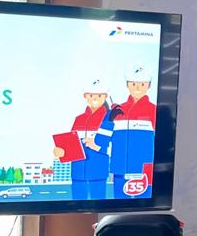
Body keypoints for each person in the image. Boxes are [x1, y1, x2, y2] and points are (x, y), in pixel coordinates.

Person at [55, 78, 112, 200]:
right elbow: (71, 145)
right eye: (91, 95)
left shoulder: (110, 119)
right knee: (76, 206)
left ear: (105, 96)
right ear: (85, 96)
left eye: (99, 95)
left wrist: (97, 146)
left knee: (99, 204)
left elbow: (117, 146)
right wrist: (61, 152)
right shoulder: (79, 119)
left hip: (98, 173)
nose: (95, 98)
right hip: (78, 173)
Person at [109, 64, 157, 198]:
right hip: (120, 169)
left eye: (142, 84)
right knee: (119, 206)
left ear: (149, 86)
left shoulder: (155, 110)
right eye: (134, 84)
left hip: (145, 170)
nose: (137, 88)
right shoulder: (116, 111)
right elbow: (106, 138)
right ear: (127, 85)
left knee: (145, 207)